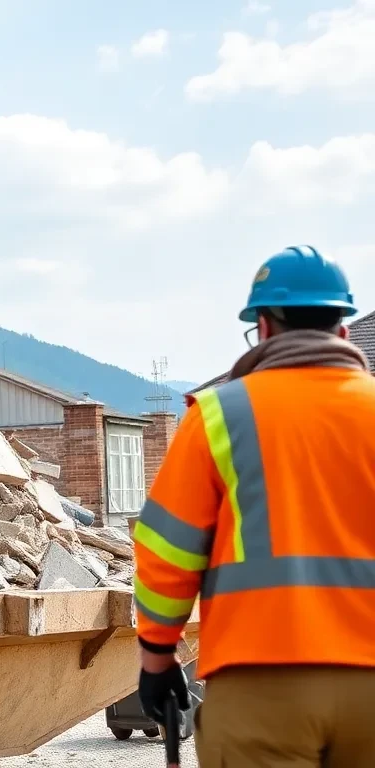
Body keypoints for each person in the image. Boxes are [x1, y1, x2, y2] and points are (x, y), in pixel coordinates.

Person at [133, 246, 375, 766]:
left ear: (263, 328)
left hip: (261, 680)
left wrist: (157, 656)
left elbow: (167, 550)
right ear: (343, 330)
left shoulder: (220, 416)